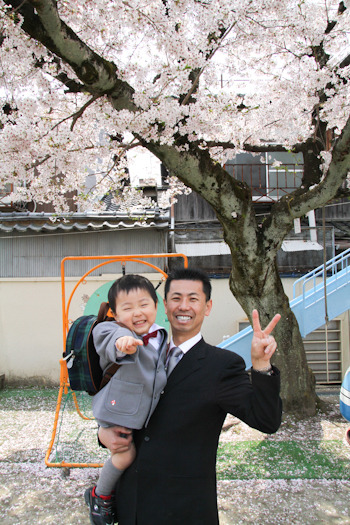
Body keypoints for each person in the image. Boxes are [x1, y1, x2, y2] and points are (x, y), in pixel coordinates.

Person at [99, 268, 283, 525]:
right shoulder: (139, 351)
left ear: (207, 307)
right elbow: (116, 400)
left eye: (193, 299)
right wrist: (102, 433)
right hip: (133, 503)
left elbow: (267, 420)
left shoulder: (223, 365)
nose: (183, 306)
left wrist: (261, 366)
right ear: (164, 304)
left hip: (184, 508)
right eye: (176, 298)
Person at [85, 274, 168, 525]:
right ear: (114, 312)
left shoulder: (161, 335)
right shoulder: (108, 329)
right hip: (117, 412)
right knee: (124, 455)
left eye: (144, 305)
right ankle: (100, 496)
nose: (137, 313)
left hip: (142, 414)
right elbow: (112, 343)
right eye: (127, 307)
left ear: (156, 306)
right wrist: (124, 343)